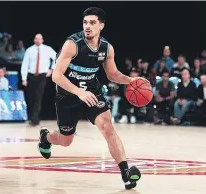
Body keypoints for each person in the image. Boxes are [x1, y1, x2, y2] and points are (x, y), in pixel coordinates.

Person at [37, 7, 143, 190]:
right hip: (68, 95)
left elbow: (112, 74)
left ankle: (125, 173)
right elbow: (56, 76)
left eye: (93, 22)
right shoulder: (73, 44)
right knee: (66, 140)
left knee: (107, 127)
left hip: (92, 92)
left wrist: (131, 80)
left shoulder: (106, 48)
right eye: (85, 22)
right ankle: (46, 137)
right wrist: (79, 92)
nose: (88, 26)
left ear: (101, 25)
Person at [21, 33, 57, 126]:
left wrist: (52, 69)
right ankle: (34, 116)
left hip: (42, 75)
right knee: (31, 97)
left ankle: (34, 119)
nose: (38, 40)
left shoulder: (47, 49)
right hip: (31, 75)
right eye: (36, 39)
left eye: (39, 39)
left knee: (38, 96)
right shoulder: (29, 50)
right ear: (34, 40)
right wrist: (24, 78)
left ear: (42, 40)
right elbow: (25, 64)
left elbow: (57, 58)